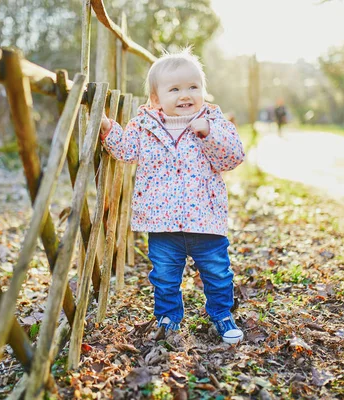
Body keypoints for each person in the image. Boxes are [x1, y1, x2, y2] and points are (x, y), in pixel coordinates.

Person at [99, 48, 246, 344]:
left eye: (193, 87)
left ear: (203, 91)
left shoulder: (214, 122)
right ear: (156, 99)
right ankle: (168, 316)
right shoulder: (144, 126)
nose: (185, 95)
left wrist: (208, 135)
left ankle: (221, 313)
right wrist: (106, 128)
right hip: (161, 221)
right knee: (165, 276)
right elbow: (127, 150)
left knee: (218, 273)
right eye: (175, 89)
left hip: (205, 220)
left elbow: (232, 158)